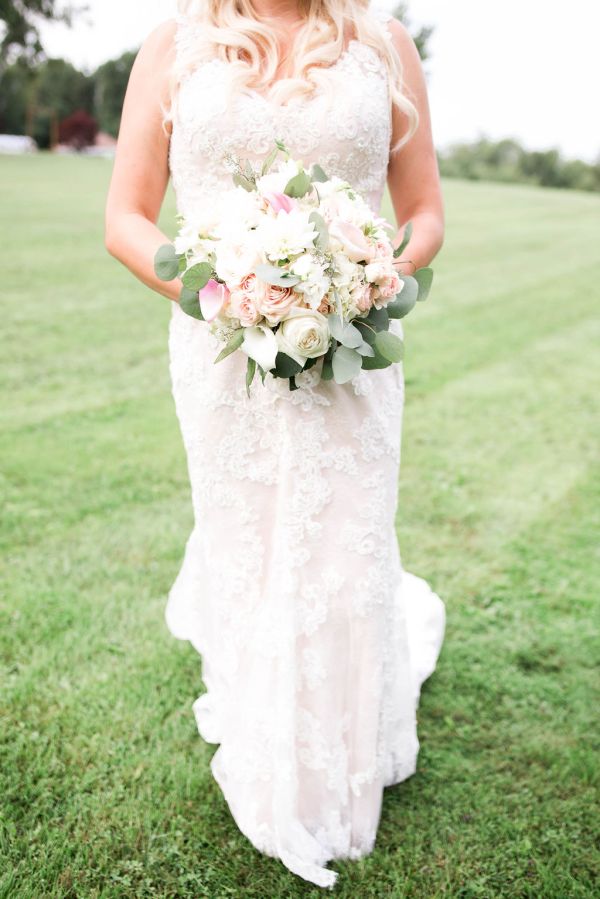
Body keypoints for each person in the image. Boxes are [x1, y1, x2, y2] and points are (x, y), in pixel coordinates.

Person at [105, 0, 446, 888]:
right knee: (249, 536)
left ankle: (342, 744)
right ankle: (267, 727)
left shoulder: (386, 46)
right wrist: (226, 292)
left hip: (355, 349)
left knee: (344, 540)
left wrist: (367, 278)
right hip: (221, 350)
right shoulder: (174, 44)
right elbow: (127, 216)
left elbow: (425, 215)